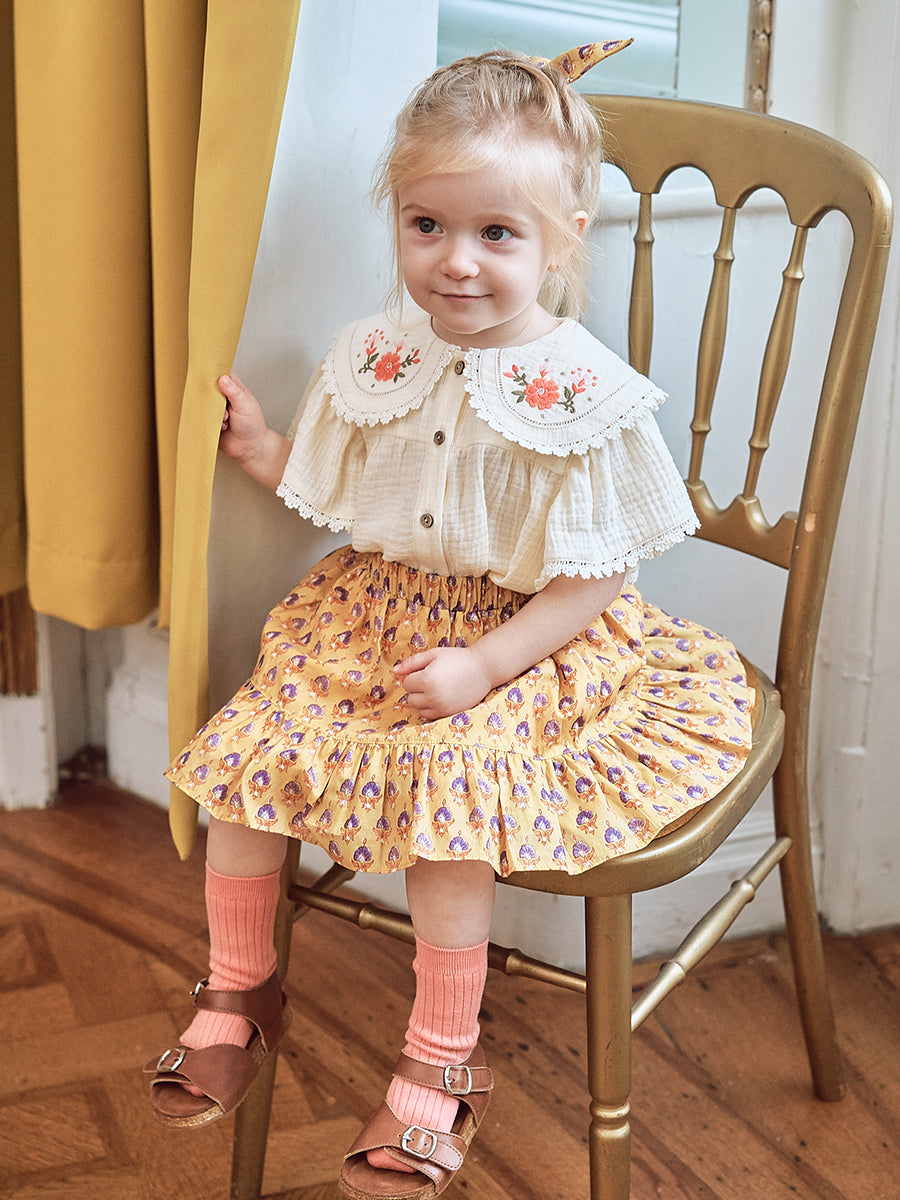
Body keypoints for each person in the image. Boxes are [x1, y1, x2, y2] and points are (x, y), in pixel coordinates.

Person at [146, 43, 754, 1199]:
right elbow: (346, 482)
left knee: (448, 803)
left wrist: (485, 664)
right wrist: (267, 451)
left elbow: (597, 581)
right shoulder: (379, 353)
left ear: (561, 239)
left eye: (497, 234)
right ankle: (238, 984)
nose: (456, 261)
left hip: (529, 641)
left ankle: (443, 1056)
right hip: (378, 615)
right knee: (250, 755)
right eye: (426, 225)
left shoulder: (587, 395)